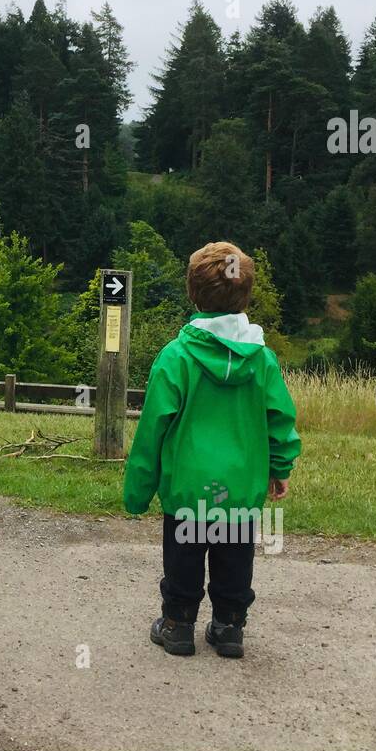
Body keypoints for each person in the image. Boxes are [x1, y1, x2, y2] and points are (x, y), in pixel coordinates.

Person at [122, 241, 301, 658]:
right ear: (246, 295)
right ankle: (229, 627)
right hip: (238, 487)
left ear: (192, 293)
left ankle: (178, 625)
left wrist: (138, 491)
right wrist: (280, 467)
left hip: (188, 486)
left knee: (183, 558)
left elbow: (153, 430)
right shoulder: (262, 360)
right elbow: (280, 418)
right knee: (235, 559)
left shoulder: (175, 357)